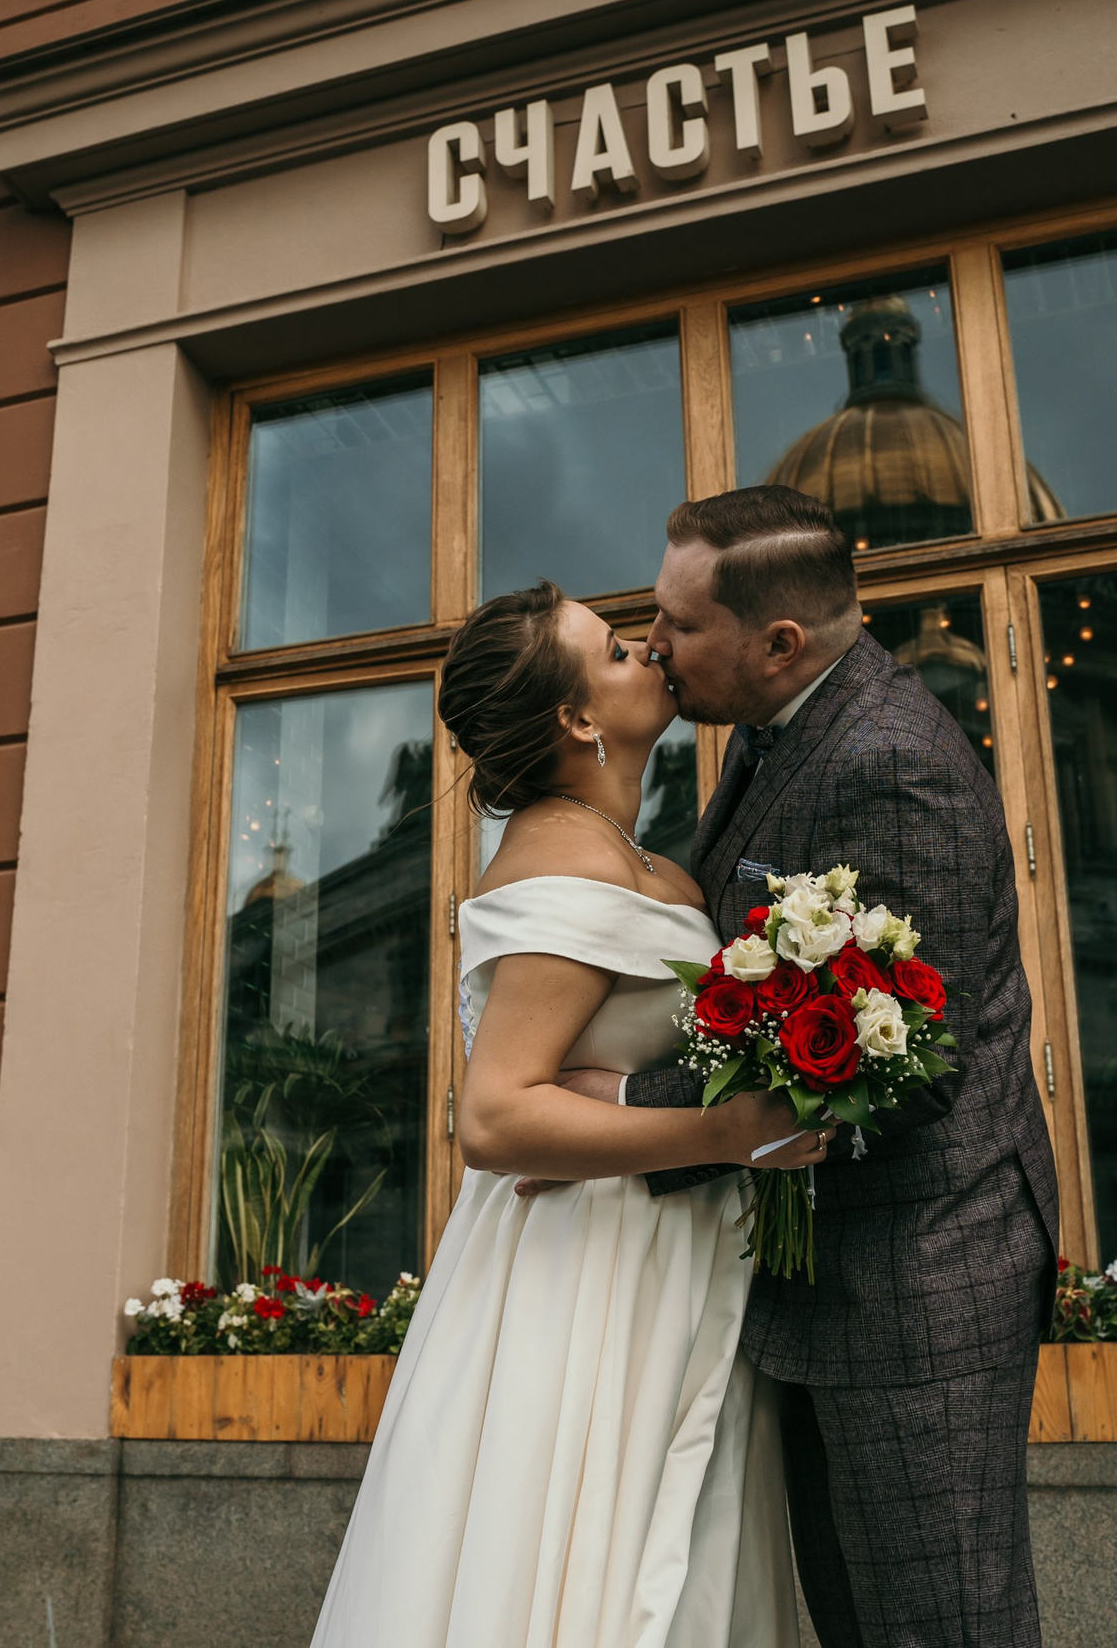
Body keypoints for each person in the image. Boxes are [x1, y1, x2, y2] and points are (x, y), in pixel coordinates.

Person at [311, 581, 833, 1648]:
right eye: (614, 650)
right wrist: (727, 1134)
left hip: (673, 1249)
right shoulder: (560, 854)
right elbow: (496, 1119)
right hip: (589, 1261)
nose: (648, 649)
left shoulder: (647, 860)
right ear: (578, 716)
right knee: (585, 1555)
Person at [607, 483, 1060, 1648]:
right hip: (827, 1277)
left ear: (778, 642)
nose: (653, 645)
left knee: (940, 1627)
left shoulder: (888, 762)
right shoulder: (775, 729)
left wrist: (619, 1113)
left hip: (917, 1279)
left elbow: (910, 1066)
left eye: (678, 624)